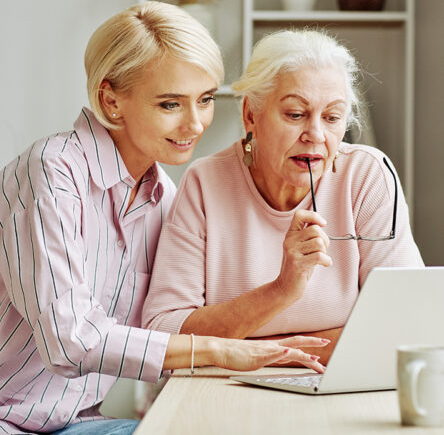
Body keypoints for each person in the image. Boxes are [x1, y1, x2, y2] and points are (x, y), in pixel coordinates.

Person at [0, 3, 328, 435]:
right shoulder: (50, 174)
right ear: (111, 100)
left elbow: (179, 316)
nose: (195, 123)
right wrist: (215, 350)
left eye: (205, 100)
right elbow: (73, 342)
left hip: (74, 425)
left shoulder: (163, 196)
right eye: (170, 104)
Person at [142, 29, 424, 366]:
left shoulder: (367, 176)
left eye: (333, 118)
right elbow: (163, 335)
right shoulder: (205, 183)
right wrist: (282, 290)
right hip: (224, 391)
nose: (316, 135)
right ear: (251, 115)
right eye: (295, 114)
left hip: (341, 386)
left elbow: (404, 324)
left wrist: (261, 352)